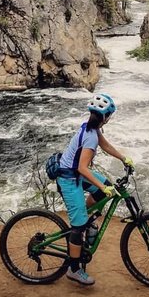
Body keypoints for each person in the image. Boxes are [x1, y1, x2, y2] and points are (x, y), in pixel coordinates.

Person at [56, 92, 134, 286]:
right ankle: (74, 269)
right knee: (78, 227)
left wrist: (123, 158)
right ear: (105, 117)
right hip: (69, 178)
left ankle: (89, 220)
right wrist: (100, 186)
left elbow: (105, 145)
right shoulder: (90, 136)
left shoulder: (92, 128)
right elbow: (83, 167)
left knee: (104, 189)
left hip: (76, 173)